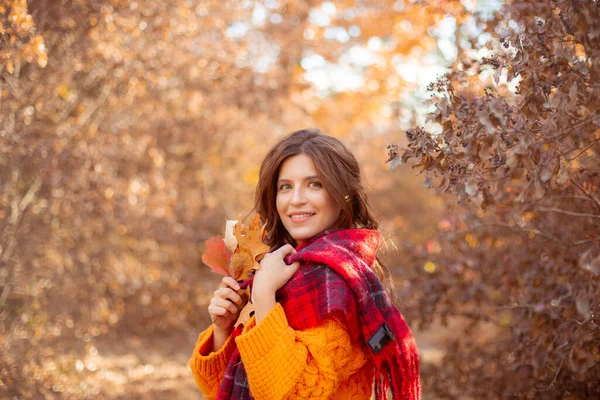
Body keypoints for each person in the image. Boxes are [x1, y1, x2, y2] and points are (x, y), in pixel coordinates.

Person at [189, 129, 421, 400]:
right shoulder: (281, 270)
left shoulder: (333, 280)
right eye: (285, 186)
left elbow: (294, 393)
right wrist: (222, 328)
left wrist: (264, 296)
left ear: (341, 194)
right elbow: (219, 388)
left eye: (315, 184)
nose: (296, 199)